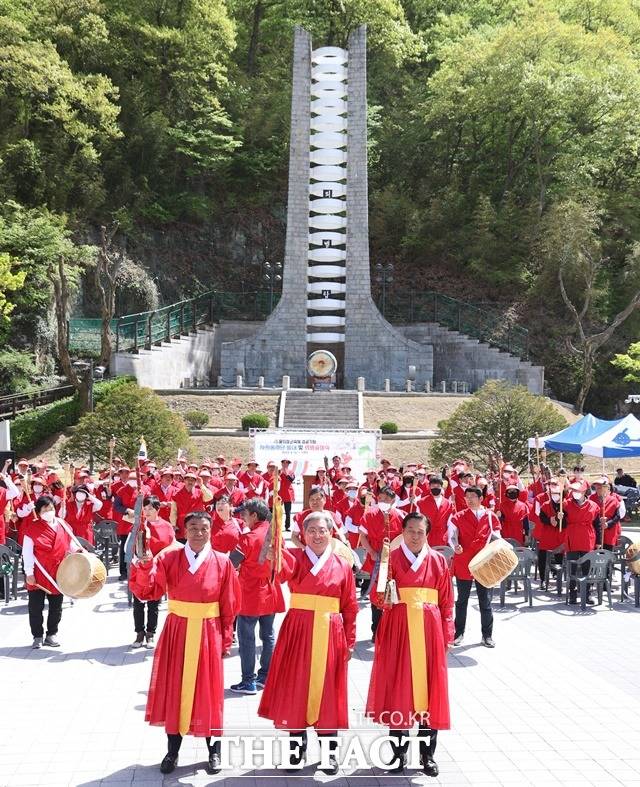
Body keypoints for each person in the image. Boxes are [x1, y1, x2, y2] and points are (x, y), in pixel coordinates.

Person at [130, 511, 240, 775]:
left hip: (208, 632)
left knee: (209, 690)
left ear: (211, 530)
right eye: (192, 527)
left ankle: (214, 750)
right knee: (175, 689)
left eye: (204, 528)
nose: (198, 533)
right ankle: (172, 750)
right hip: (177, 631)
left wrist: (226, 638)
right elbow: (148, 591)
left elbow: (230, 604)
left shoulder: (223, 562)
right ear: (184, 530)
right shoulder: (169, 557)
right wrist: (145, 566)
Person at [258, 510, 358, 775]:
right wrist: (271, 557)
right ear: (303, 534)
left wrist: (349, 640)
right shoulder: (294, 558)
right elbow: (276, 575)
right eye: (311, 530)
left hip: (331, 632)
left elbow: (350, 606)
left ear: (331, 533)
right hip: (298, 630)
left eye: (322, 530)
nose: (316, 535)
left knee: (329, 690)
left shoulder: (343, 565)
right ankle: (295, 750)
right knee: (297, 687)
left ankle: (329, 753)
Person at [366, 513, 453, 775]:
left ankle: (427, 756)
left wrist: (447, 634)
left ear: (428, 534)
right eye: (411, 531)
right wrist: (384, 598)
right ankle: (398, 754)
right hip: (399, 631)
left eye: (421, 532)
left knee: (430, 692)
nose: (416, 536)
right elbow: (376, 596)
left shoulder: (438, 561)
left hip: (429, 632)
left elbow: (447, 602)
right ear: (402, 532)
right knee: (399, 690)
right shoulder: (389, 560)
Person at [231, 497, 285, 694]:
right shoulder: (276, 535)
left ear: (254, 515)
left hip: (251, 592)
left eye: (245, 514)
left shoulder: (247, 538)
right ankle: (266, 675)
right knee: (268, 635)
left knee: (247, 638)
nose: (243, 518)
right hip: (270, 590)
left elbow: (231, 564)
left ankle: (248, 681)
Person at [22, 495, 82, 648]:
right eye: (45, 509)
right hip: (38, 573)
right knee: (35, 607)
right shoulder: (32, 529)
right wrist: (29, 573)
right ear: (39, 511)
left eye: (51, 508)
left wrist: (78, 550)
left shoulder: (63, 524)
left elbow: (70, 544)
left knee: (56, 606)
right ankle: (37, 636)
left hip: (58, 573)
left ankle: (51, 634)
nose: (49, 511)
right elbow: (27, 553)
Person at [448, 485, 500, 648]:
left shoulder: (490, 516)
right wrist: (455, 546)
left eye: (472, 496)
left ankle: (487, 635)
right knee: (462, 600)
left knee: (485, 601)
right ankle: (458, 633)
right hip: (464, 561)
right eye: (467, 497)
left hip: (484, 562)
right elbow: (451, 536)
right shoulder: (457, 516)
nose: (469, 500)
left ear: (480, 499)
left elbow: (497, 536)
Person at [128, 496, 176, 648]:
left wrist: (159, 558)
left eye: (150, 508)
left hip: (158, 569)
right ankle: (139, 633)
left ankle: (150, 634)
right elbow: (130, 546)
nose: (147, 512)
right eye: (145, 508)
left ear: (157, 509)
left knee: (154, 603)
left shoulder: (167, 526)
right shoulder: (139, 525)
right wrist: (138, 560)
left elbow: (173, 544)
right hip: (140, 567)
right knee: (138, 603)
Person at [360, 486, 404, 639]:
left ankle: (392, 628)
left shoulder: (400, 516)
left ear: (393, 500)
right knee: (376, 594)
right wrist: (371, 552)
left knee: (393, 593)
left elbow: (403, 539)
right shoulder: (370, 514)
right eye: (380, 499)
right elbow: (362, 536)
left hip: (394, 561)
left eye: (386, 499)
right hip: (376, 559)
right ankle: (376, 629)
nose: (383, 502)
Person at [562, 482, 601, 604]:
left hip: (587, 539)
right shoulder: (566, 504)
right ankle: (572, 594)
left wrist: (598, 542)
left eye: (578, 491)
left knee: (587, 568)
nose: (575, 493)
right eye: (573, 491)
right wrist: (560, 517)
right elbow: (562, 525)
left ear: (584, 492)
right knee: (572, 568)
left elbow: (597, 525)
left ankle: (587, 594)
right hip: (572, 539)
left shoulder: (594, 506)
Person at [589, 477, 625, 551]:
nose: (598, 489)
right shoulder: (591, 499)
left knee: (608, 554)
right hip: (596, 531)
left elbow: (617, 516)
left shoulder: (613, 500)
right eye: (596, 487)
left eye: (600, 487)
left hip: (609, 531)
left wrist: (608, 524)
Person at [417, 475, 453, 547]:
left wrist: (451, 541)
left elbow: (450, 524)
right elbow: (418, 522)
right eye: (433, 486)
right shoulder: (421, 502)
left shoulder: (448, 503)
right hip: (426, 537)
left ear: (442, 487)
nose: (435, 488)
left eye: (438, 486)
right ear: (429, 486)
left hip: (441, 537)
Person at [279, 459, 295, 531]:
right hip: (280, 493)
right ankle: (277, 525)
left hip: (288, 493)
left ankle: (287, 526)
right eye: (284, 463)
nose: (285, 464)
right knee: (278, 511)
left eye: (287, 463)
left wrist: (286, 474)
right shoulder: (278, 471)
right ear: (281, 464)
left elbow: (291, 479)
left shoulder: (291, 472)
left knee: (288, 512)